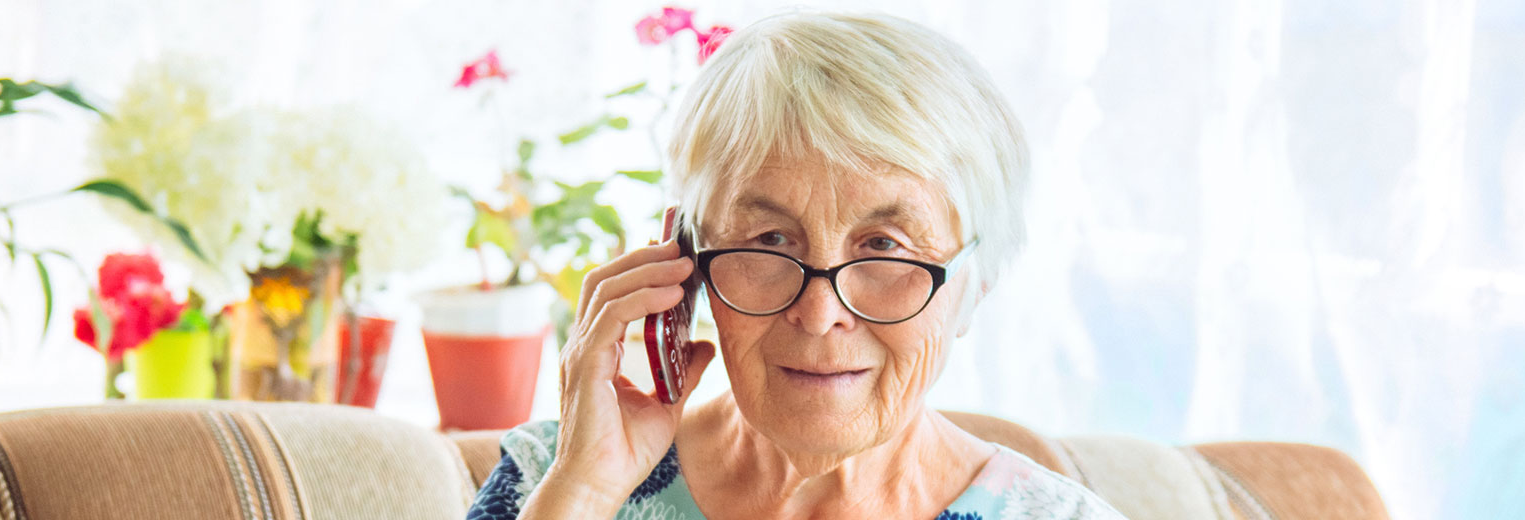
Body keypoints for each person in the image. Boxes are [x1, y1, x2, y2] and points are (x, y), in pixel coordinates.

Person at [467, 11, 1128, 520]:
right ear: (686, 262)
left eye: (884, 247)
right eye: (771, 241)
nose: (818, 315)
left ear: (977, 281)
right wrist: (584, 491)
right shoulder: (553, 479)